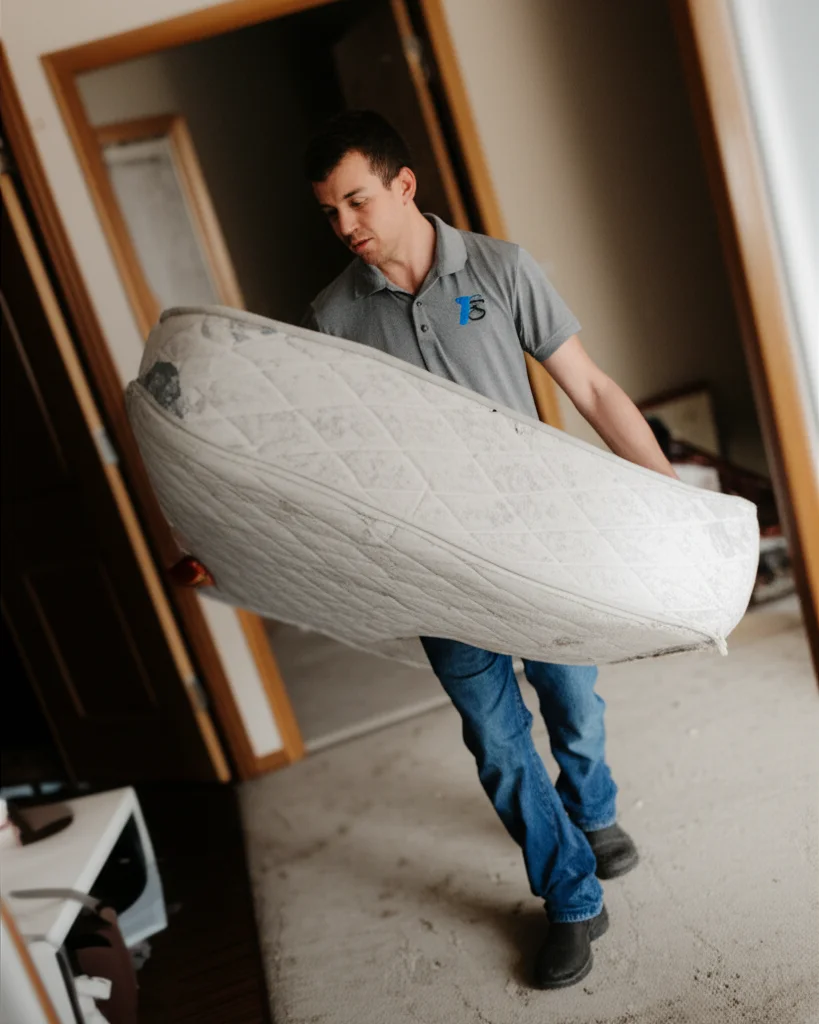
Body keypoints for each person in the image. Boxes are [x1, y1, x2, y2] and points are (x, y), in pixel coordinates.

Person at [301, 111, 677, 990]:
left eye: (355, 200)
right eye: (328, 212)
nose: (345, 225)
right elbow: (325, 457)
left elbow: (587, 384)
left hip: (536, 541)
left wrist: (669, 494)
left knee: (570, 696)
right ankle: (569, 898)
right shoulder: (330, 317)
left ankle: (594, 807)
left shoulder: (499, 270)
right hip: (433, 562)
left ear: (403, 186)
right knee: (499, 745)